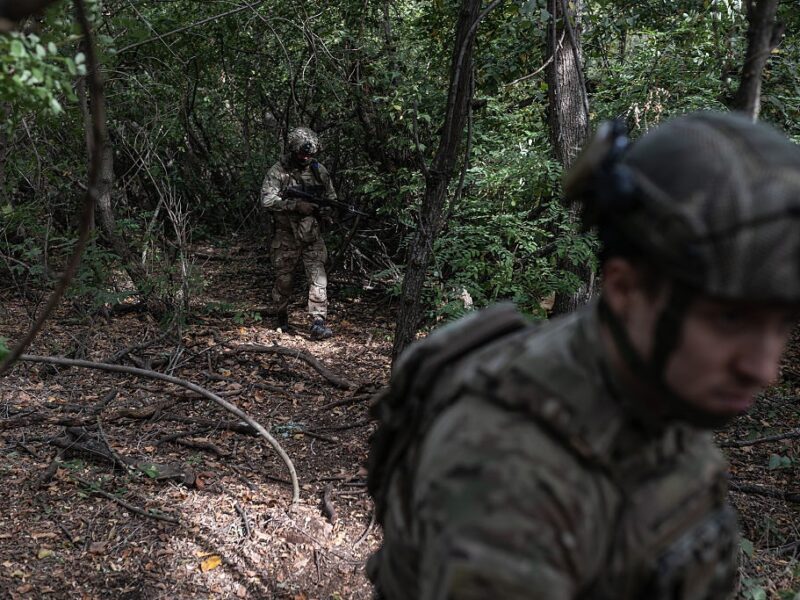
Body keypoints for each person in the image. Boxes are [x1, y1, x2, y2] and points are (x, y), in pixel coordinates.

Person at [366, 111, 800, 599]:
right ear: (623, 289)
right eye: (729, 320)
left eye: (783, 323)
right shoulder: (510, 473)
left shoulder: (658, 388)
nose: (763, 369)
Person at [261, 127, 337, 340]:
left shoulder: (318, 170)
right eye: (303, 154)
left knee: (318, 278)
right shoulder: (278, 171)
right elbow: (267, 200)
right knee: (284, 281)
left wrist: (324, 211)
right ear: (293, 150)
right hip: (286, 236)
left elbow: (330, 196)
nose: (306, 158)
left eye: (310, 154)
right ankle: (281, 316)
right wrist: (295, 205)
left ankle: (318, 321)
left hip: (311, 234)